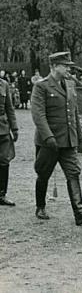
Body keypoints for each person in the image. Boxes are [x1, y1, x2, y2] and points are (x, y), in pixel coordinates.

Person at [31, 51, 82, 225]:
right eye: (65, 66)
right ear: (53, 66)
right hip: (49, 142)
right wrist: (48, 137)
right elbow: (39, 115)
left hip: (67, 140)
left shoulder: (69, 84)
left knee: (73, 172)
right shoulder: (41, 86)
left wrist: (79, 134)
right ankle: (40, 206)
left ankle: (79, 212)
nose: (68, 69)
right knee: (43, 173)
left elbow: (73, 111)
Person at [0, 73, 18, 206]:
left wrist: (14, 128)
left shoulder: (4, 85)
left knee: (4, 161)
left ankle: (1, 194)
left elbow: (9, 108)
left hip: (2, 129)